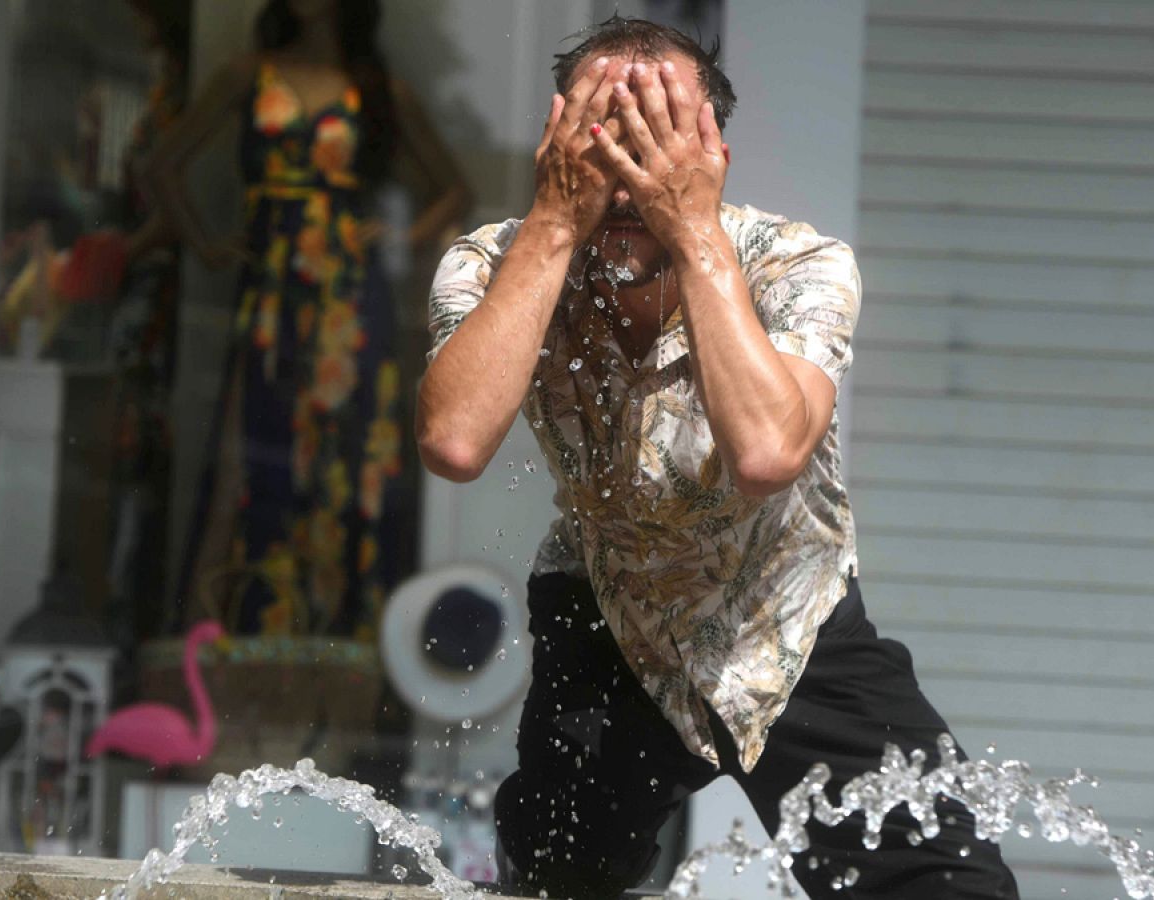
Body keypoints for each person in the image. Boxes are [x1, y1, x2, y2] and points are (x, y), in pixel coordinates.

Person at [417, 16, 1020, 900]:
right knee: (554, 883)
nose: (628, 178)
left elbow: (770, 450)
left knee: (949, 882)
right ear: (558, 145)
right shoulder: (495, 263)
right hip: (606, 612)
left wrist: (692, 231)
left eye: (660, 139)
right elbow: (456, 441)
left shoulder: (798, 264)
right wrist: (551, 223)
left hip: (784, 615)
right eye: (606, 138)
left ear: (712, 155)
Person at [148, 0, 472, 637]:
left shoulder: (378, 90)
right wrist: (208, 245)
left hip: (352, 298)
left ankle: (344, 656)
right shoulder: (249, 74)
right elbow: (161, 166)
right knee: (251, 452)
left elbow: (453, 188)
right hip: (272, 293)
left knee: (352, 461)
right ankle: (225, 646)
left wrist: (404, 238)